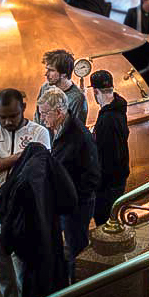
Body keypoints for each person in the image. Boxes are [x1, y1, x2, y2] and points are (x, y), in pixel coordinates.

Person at [0, 89, 51, 297]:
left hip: (24, 213)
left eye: (13, 116)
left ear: (23, 110)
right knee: (2, 271)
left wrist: (3, 161)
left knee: (24, 270)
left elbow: (40, 172)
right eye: (3, 117)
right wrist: (22, 156)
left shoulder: (39, 132)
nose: (7, 122)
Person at [37, 87, 100, 282]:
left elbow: (92, 175)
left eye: (45, 113)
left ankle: (78, 294)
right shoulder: (60, 129)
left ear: (59, 112)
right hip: (67, 201)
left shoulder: (78, 135)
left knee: (77, 250)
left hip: (77, 205)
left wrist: (73, 197)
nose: (42, 119)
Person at [89, 71, 130, 226]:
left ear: (95, 91)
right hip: (119, 177)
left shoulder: (107, 119)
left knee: (104, 221)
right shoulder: (118, 107)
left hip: (108, 183)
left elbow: (107, 156)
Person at [34, 49, 88, 127]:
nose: (46, 74)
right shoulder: (45, 87)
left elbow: (77, 131)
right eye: (47, 69)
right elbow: (37, 117)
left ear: (64, 74)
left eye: (51, 70)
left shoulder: (77, 99)